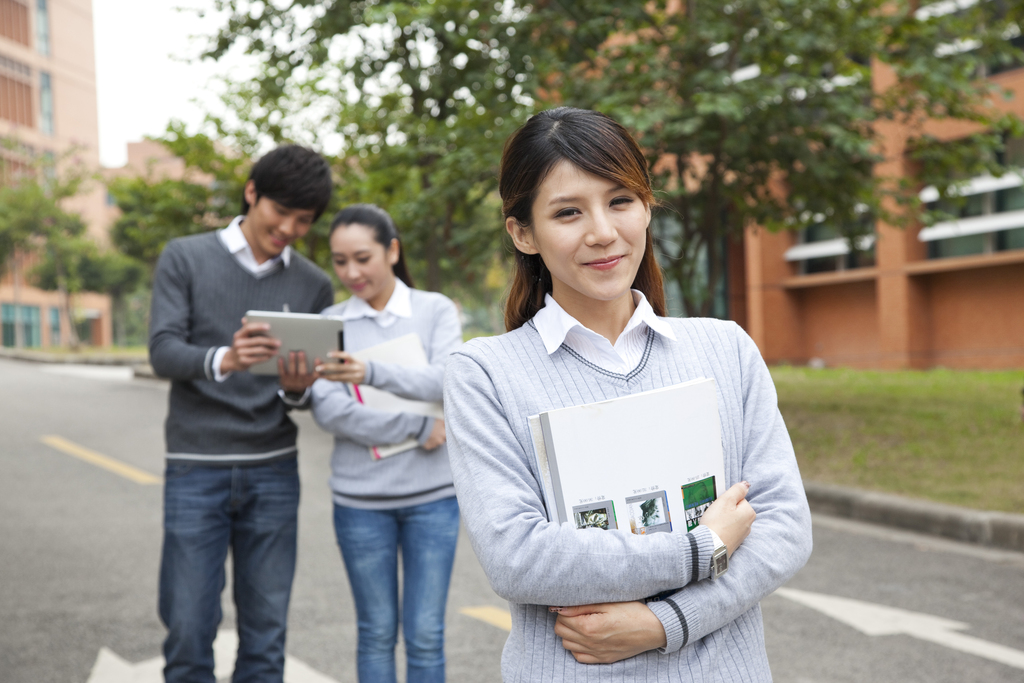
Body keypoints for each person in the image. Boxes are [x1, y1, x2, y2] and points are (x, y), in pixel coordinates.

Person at [442, 107, 813, 680]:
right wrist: (702, 546)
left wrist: (667, 623)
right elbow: (519, 558)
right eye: (568, 212)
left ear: (646, 207)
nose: (603, 232)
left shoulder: (726, 349)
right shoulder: (484, 373)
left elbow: (783, 526)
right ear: (523, 233)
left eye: (621, 200)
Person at [149, 144, 335, 683]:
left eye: (304, 220)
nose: (290, 228)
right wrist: (226, 358)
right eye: (282, 212)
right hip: (194, 464)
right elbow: (162, 351)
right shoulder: (184, 256)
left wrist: (297, 389)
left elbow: (301, 395)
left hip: (273, 467)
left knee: (266, 632)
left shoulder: (312, 283)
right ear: (252, 193)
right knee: (187, 625)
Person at [310, 204, 463, 683]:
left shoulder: (433, 309)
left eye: (362, 258)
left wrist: (369, 372)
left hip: (434, 500)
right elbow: (330, 410)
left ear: (392, 250)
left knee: (425, 635)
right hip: (360, 503)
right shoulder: (330, 321)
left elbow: (447, 382)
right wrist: (415, 428)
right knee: (375, 631)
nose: (351, 272)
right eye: (339, 262)